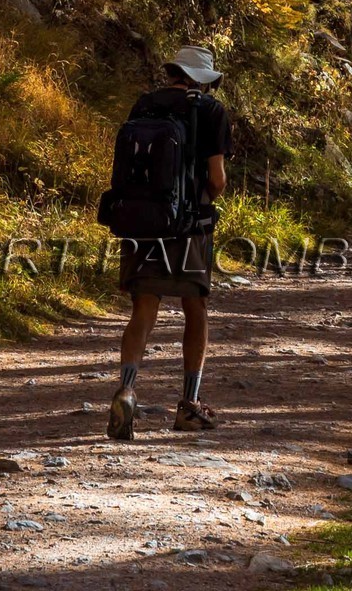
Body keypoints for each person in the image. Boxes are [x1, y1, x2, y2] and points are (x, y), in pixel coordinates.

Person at [107, 44, 231, 439]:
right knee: (196, 307)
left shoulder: (143, 106)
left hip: (142, 222)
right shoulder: (210, 111)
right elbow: (218, 179)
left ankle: (127, 390)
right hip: (190, 226)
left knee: (143, 308)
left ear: (174, 72)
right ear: (200, 80)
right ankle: (190, 406)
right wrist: (206, 202)